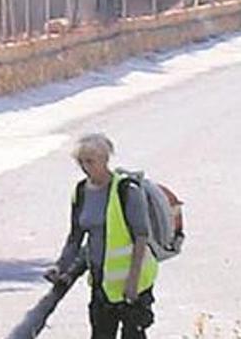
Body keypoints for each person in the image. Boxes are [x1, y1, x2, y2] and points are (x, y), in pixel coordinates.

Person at [45, 133, 158, 339]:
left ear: (105, 159)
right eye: (81, 161)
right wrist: (60, 266)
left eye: (90, 161)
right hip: (101, 283)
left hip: (134, 283)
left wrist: (132, 282)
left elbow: (141, 237)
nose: (85, 167)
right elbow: (75, 237)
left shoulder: (126, 190)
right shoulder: (81, 191)